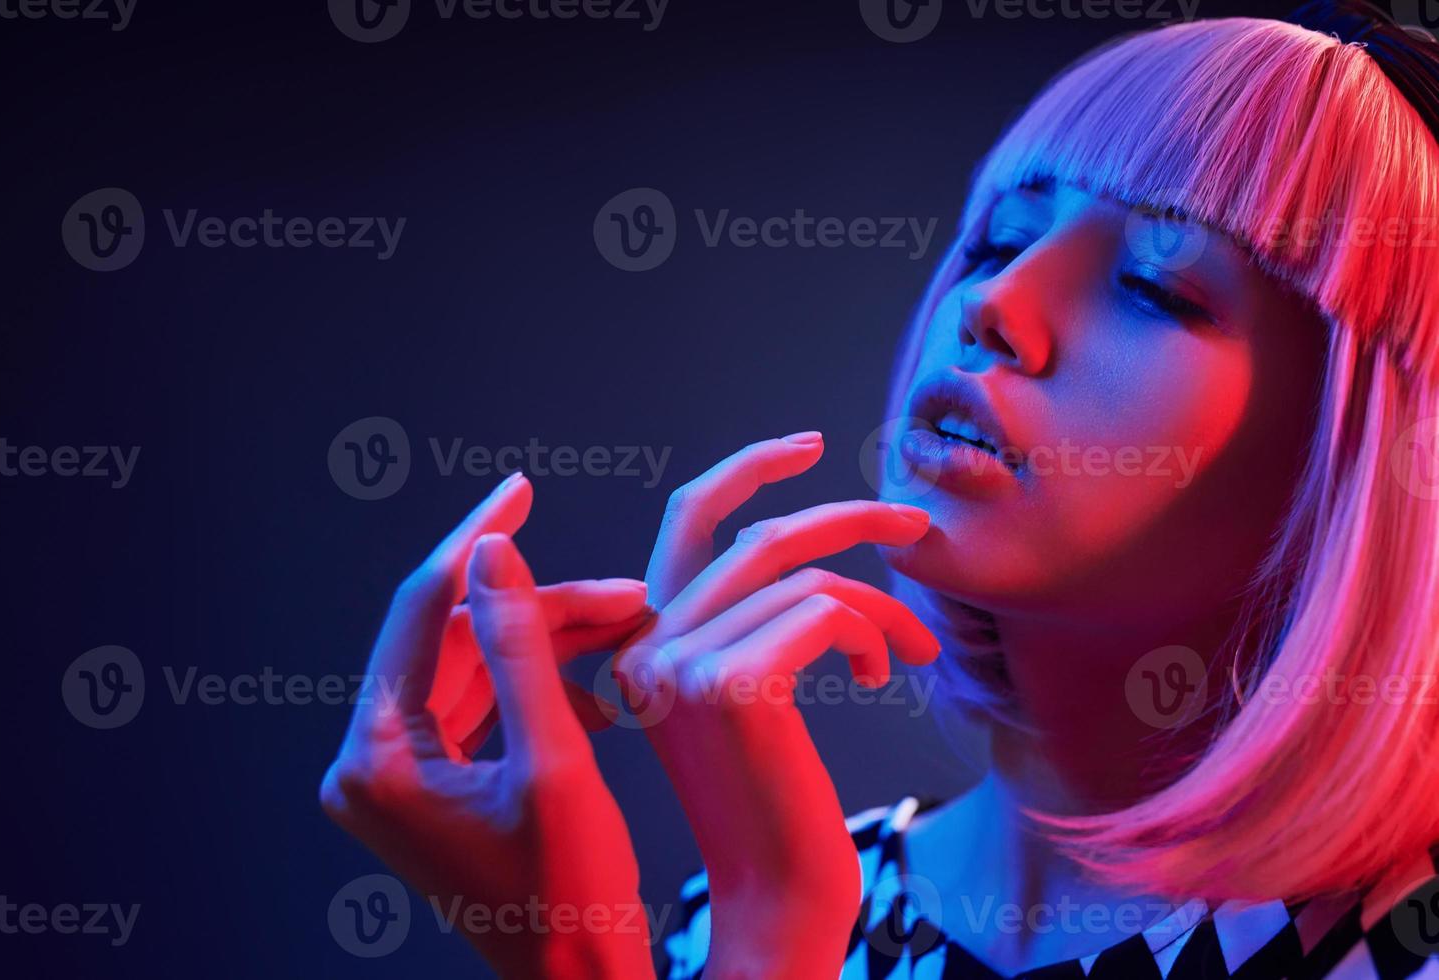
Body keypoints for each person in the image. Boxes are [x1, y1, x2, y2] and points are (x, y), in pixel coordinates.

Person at [319, 3, 1439, 976]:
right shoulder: (742, 907)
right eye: (999, 238)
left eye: (1153, 285)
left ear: (1357, 453)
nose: (993, 302)